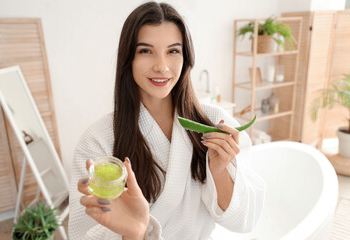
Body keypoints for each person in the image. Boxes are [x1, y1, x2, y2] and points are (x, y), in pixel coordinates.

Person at [69, 2, 265, 239]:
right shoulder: (97, 141)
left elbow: (245, 220)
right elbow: (82, 234)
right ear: (128, 59)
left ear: (186, 57)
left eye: (173, 51)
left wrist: (219, 169)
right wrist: (136, 231)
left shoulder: (215, 123)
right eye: (145, 51)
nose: (161, 66)